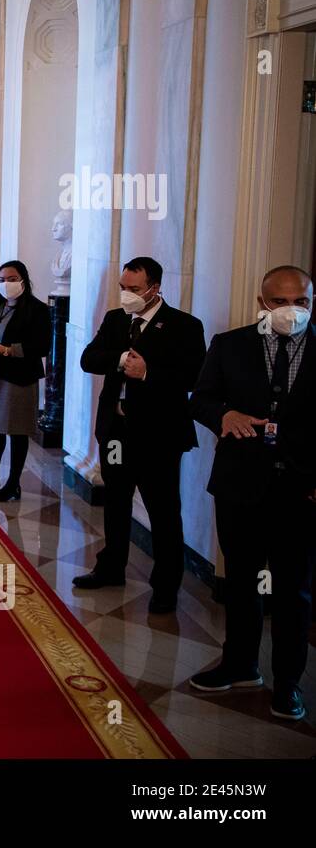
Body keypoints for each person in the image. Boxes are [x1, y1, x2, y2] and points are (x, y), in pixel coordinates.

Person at [188, 265, 314, 721]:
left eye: (301, 302)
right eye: (281, 302)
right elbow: (199, 397)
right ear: (263, 304)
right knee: (240, 580)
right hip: (241, 483)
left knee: (293, 590)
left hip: (300, 492)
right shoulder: (231, 344)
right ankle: (240, 664)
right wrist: (222, 415)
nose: (292, 311)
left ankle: (288, 683)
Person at [74, 256, 206, 613]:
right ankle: (111, 567)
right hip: (115, 431)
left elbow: (194, 379)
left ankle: (165, 586)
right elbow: (89, 358)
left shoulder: (184, 326)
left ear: (154, 288)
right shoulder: (116, 320)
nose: (126, 295)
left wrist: (148, 373)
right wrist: (119, 360)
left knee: (163, 512)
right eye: (123, 288)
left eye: (134, 289)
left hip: (158, 436)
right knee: (115, 501)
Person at [0, 261, 51, 502]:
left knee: (16, 429)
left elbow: (42, 345)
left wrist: (8, 350)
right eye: (2, 279)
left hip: (20, 377)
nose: (7, 283)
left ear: (23, 280)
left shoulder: (37, 309)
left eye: (12, 278)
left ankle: (13, 483)